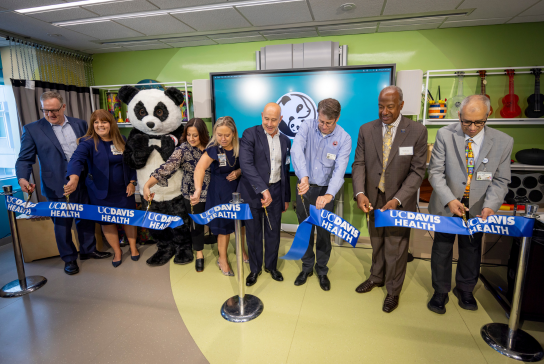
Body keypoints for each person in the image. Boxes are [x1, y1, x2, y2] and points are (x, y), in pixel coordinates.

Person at [427, 95, 513, 314]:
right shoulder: (445, 134)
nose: (472, 127)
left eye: (478, 122)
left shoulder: (504, 141)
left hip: (478, 207)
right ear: (459, 115)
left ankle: (465, 289)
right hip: (447, 204)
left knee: (471, 249)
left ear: (488, 115)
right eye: (467, 122)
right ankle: (440, 291)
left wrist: (491, 205)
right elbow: (435, 172)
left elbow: (501, 180)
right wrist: (450, 199)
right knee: (441, 249)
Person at [15, 91, 111, 275]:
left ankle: (88, 250)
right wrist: (23, 178)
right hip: (56, 184)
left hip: (84, 181)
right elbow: (24, 160)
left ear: (63, 107)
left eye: (55, 110)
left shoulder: (80, 124)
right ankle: (69, 258)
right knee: (62, 224)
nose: (50, 114)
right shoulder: (32, 129)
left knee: (86, 217)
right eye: (46, 110)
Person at [352, 86, 428, 313]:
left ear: (401, 105)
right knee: (376, 241)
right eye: (380, 106)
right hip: (373, 197)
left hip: (399, 200)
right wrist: (359, 192)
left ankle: (393, 291)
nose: (384, 111)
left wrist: (397, 199)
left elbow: (417, 172)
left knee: (396, 247)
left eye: (390, 107)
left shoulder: (417, 131)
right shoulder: (366, 129)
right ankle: (376, 277)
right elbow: (359, 164)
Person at [291, 98, 351, 291]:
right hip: (305, 185)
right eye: (321, 121)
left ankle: (322, 270)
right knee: (304, 229)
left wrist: (329, 195)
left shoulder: (344, 138)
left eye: (328, 123)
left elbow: (339, 171)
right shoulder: (307, 127)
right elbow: (296, 150)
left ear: (337, 118)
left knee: (324, 233)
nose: (323, 126)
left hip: (326, 190)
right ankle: (307, 266)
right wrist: (304, 177)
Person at [64, 109, 138, 268]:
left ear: (111, 123)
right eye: (96, 122)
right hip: (100, 192)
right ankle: (117, 251)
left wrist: (132, 182)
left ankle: (133, 248)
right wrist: (74, 177)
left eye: (103, 121)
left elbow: (131, 164)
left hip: (124, 190)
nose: (100, 125)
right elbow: (76, 160)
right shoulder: (88, 142)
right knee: (107, 221)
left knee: (129, 219)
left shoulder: (121, 139)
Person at [143, 118, 211, 272]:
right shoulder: (182, 150)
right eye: (189, 135)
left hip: (214, 192)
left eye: (195, 135)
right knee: (197, 224)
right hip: (193, 194)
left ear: (203, 134)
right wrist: (147, 185)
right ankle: (199, 254)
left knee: (217, 222)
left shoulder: (211, 147)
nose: (192, 139)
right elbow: (166, 168)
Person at [238, 103, 291, 286]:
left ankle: (271, 266)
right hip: (253, 192)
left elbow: (285, 169)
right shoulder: (249, 134)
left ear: (280, 119)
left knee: (273, 232)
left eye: (274, 119)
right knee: (253, 233)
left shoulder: (285, 141)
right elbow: (246, 165)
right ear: (262, 116)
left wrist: (286, 197)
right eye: (266, 118)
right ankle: (255, 269)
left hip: (276, 191)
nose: (269, 123)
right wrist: (263, 189)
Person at [191, 116, 248, 276]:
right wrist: (197, 189)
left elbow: (249, 165)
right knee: (223, 228)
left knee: (240, 224)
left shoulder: (242, 145)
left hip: (238, 190)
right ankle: (222, 259)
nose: (222, 139)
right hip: (220, 192)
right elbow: (200, 169)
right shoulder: (214, 150)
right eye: (219, 135)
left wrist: (239, 171)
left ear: (234, 134)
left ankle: (241, 249)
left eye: (227, 135)